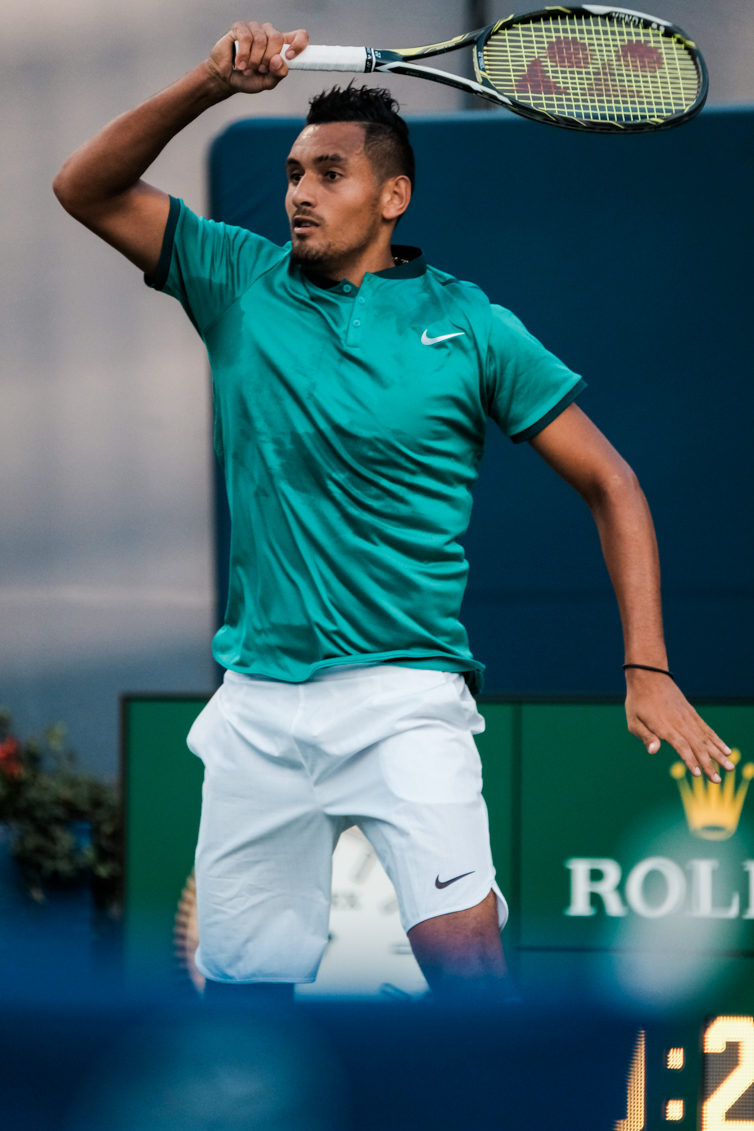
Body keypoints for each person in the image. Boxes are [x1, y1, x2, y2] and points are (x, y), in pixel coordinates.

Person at [54, 20, 732, 997]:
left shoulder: (471, 326)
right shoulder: (236, 282)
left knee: (466, 969)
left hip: (406, 701)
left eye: (329, 173)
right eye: (292, 171)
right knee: (244, 997)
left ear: (391, 195)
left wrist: (647, 668)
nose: (298, 192)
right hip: (259, 704)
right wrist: (207, 83)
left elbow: (611, 482)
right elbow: (84, 187)